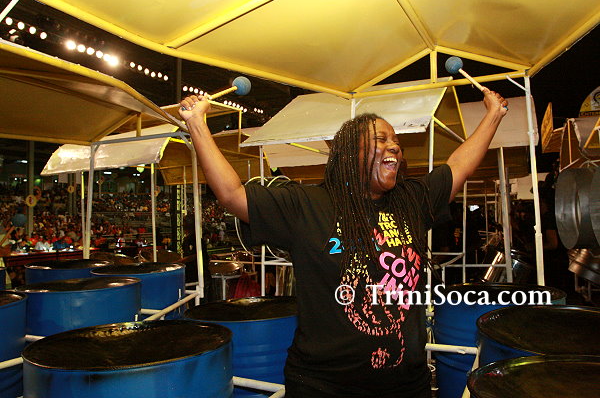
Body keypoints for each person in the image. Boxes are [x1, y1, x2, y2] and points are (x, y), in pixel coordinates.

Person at [179, 87, 508, 397]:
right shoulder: (308, 205)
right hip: (325, 386)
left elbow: (458, 166)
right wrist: (197, 124)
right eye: (381, 140)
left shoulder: (410, 200)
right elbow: (232, 195)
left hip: (406, 385)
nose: (394, 147)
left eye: (396, 141)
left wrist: (493, 114)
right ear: (350, 153)